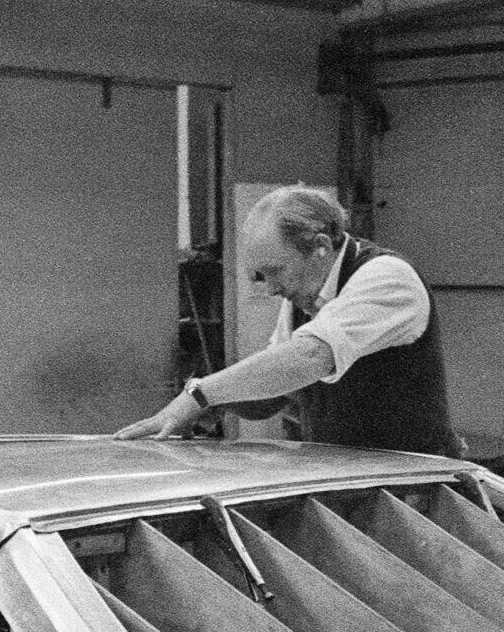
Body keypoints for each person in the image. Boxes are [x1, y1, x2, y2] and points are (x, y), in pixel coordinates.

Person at [116, 186, 456, 455]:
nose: (272, 289)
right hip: (346, 474)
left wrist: (200, 396)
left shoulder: (387, 277)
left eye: (276, 271)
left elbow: (308, 359)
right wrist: (218, 402)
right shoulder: (305, 293)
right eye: (263, 276)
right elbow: (280, 389)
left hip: (413, 482)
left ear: (321, 246)